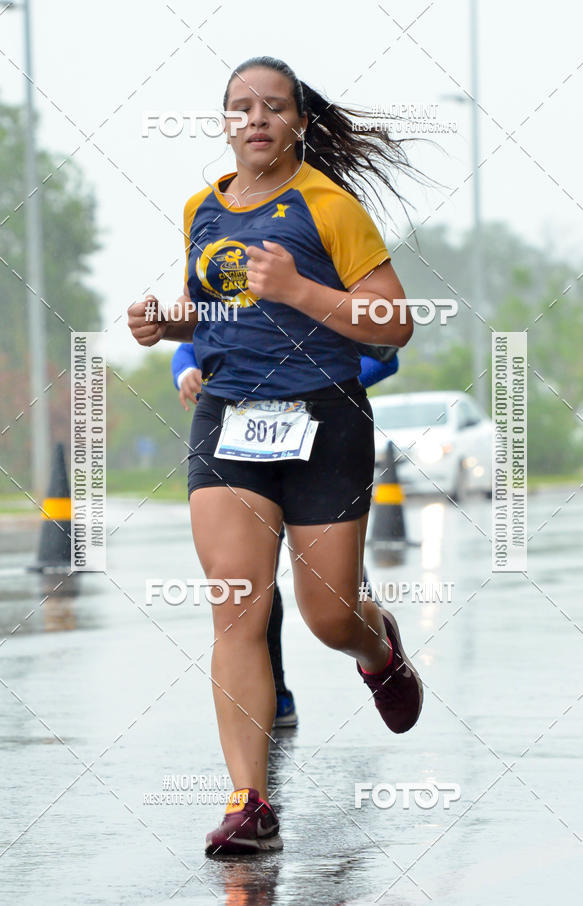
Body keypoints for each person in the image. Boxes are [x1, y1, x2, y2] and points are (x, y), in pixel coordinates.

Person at [128, 56, 422, 856]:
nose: (255, 118)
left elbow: (393, 320)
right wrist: (168, 323)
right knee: (237, 608)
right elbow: (220, 306)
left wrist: (300, 290)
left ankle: (379, 646)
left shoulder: (329, 206)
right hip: (230, 422)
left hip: (324, 418)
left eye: (273, 107)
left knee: (328, 616)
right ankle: (248, 802)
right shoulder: (201, 208)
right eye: (240, 107)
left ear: (298, 122)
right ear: (224, 122)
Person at [171, 342, 399, 729]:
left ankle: (376, 641)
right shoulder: (235, 290)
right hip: (247, 447)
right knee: (249, 588)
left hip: (320, 437)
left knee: (333, 593)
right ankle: (276, 694)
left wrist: (317, 381)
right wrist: (186, 373)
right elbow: (188, 345)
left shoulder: (318, 287)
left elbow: (385, 355)